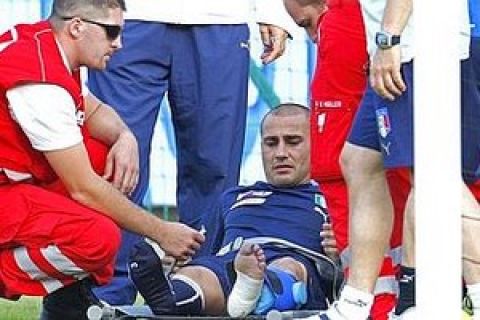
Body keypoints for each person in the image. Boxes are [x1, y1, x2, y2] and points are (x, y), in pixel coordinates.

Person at [0, 1, 204, 319]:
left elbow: (92, 111)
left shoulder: (46, 46)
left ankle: (66, 302)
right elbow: (85, 189)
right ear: (77, 27)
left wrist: (126, 137)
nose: (119, 44)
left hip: (9, 185)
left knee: (101, 153)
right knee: (97, 239)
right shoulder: (41, 85)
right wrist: (162, 232)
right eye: (112, 33)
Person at [86, 0, 299, 305]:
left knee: (214, 169)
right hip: (127, 13)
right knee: (117, 163)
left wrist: (271, 9)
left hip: (222, 16)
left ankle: (196, 292)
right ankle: (105, 297)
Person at [299, 0, 480, 319]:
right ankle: (355, 304)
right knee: (359, 160)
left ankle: (475, 296)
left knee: (433, 175)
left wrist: (389, 39)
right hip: (402, 44)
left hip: (416, 46)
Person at [128, 103, 339, 317]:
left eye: (293, 142)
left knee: (288, 266)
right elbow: (206, 252)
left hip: (292, 267)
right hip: (234, 264)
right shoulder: (234, 197)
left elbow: (350, 277)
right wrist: (177, 262)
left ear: (317, 144)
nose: (280, 153)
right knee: (202, 272)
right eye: (271, 143)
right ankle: (172, 297)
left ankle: (260, 291)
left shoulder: (333, 197)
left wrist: (339, 255)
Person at [282, 0, 411, 318]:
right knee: (360, 161)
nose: (314, 36)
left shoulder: (342, 25)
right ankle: (367, 304)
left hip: (395, 37)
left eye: (308, 24)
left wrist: (388, 39)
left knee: (424, 175)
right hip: (391, 35)